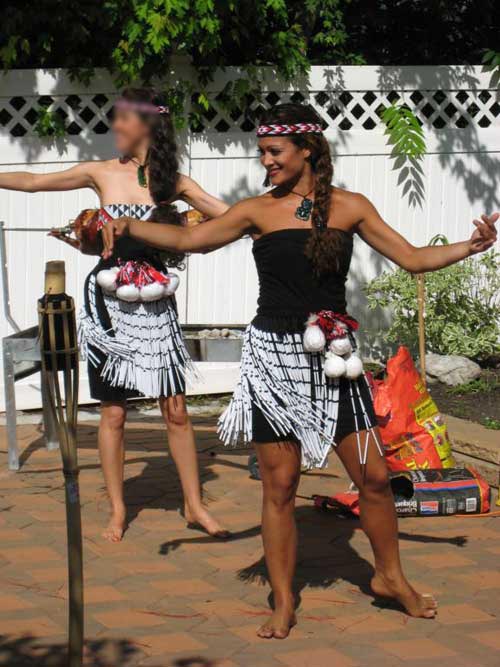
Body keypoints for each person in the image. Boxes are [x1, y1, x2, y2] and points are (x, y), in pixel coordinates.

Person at [101, 103, 497, 636]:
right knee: (280, 487)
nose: (265, 161)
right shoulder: (256, 211)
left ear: (307, 150)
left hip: (335, 361)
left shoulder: (352, 207)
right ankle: (283, 601)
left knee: (376, 480)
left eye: (274, 152)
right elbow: (192, 239)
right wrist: (131, 227)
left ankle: (390, 578)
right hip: (274, 362)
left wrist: (470, 246)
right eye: (262, 152)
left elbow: (413, 258)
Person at [0, 87, 231, 543]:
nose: (115, 128)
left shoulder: (174, 183)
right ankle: (118, 510)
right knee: (113, 413)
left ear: (146, 124)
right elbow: (32, 182)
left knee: (177, 411)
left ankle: (195, 504)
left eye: (122, 119)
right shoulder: (100, 173)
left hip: (157, 304)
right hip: (107, 305)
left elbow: (229, 217)